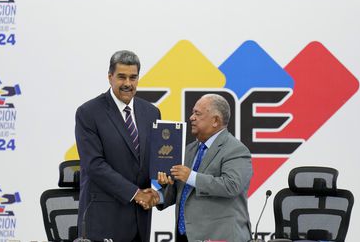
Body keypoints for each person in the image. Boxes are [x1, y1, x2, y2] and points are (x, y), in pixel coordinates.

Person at [75, 50, 161, 242]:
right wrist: (136, 194)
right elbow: (94, 165)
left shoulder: (152, 112)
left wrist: (159, 188)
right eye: (121, 77)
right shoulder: (88, 113)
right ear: (110, 77)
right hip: (104, 219)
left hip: (141, 219)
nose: (128, 83)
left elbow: (155, 159)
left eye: (133, 77)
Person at [157, 94, 253, 242]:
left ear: (215, 120)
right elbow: (181, 190)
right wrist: (158, 196)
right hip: (185, 236)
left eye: (197, 113)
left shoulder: (236, 150)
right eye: (192, 112)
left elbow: (231, 185)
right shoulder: (189, 150)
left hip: (219, 237)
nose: (191, 117)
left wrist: (191, 176)